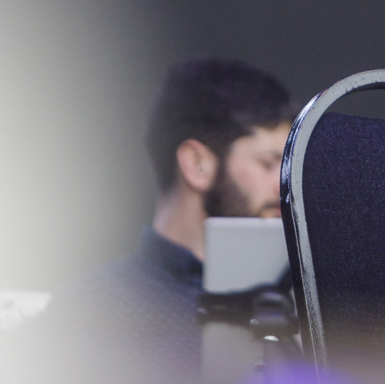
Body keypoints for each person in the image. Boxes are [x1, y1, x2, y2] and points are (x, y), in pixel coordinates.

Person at [31, 57, 295, 384]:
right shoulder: (86, 313)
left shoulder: (302, 302)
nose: (284, 185)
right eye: (269, 163)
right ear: (197, 164)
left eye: (289, 168)